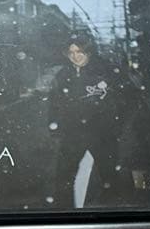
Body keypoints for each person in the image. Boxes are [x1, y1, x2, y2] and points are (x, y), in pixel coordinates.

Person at [48, 33, 135, 207]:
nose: (75, 56)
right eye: (71, 52)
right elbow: (55, 102)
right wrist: (54, 126)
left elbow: (129, 97)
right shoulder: (63, 75)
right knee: (63, 176)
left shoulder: (107, 70)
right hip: (73, 133)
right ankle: (63, 213)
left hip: (102, 132)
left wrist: (117, 123)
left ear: (89, 51)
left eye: (79, 51)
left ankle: (112, 210)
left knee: (109, 174)